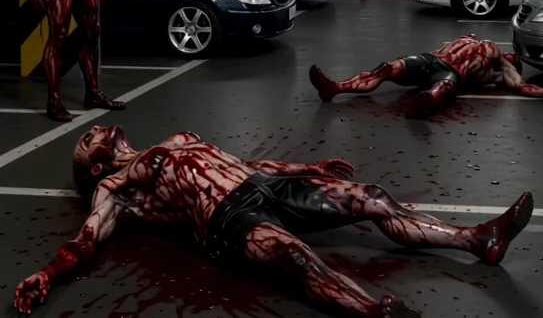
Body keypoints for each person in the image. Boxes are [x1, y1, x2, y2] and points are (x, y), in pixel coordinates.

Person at [14, 125, 533, 317]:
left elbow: (245, 163)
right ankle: (374, 312)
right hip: (228, 217)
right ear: (96, 167)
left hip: (264, 185)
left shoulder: (171, 141)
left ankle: (477, 239)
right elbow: (87, 237)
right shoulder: (116, 188)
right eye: (85, 142)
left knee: (372, 198)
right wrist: (49, 273)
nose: (93, 132)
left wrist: (307, 167)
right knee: (295, 257)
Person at [310, 34, 543, 118]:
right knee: (386, 68)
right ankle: (335, 87)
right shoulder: (475, 39)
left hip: (450, 73)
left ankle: (424, 104)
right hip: (430, 59)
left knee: (442, 88)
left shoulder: (497, 72)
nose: (511, 55)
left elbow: (522, 86)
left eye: (513, 59)